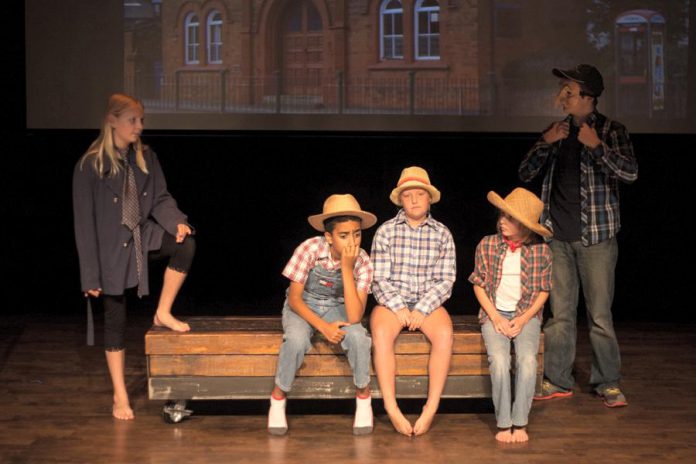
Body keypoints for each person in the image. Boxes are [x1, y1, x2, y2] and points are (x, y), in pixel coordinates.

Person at [519, 64, 638, 408]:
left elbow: (630, 173)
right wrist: (545, 142)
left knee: (600, 316)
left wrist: (597, 146)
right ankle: (557, 379)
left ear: (588, 96)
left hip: (597, 238)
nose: (562, 97)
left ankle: (608, 382)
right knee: (560, 315)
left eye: (569, 91)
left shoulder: (611, 130)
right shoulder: (556, 131)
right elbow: (525, 171)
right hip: (556, 236)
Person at [73, 93, 195, 420]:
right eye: (133, 120)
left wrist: (177, 223)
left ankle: (163, 312)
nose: (140, 127)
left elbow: (160, 199)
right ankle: (120, 394)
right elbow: (84, 225)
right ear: (112, 120)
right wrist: (91, 276)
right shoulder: (90, 165)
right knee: (116, 321)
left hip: (141, 239)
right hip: (109, 250)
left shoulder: (145, 157)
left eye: (141, 120)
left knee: (185, 244)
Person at [268, 194, 377, 436]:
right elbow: (295, 299)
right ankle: (278, 397)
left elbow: (355, 314)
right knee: (296, 341)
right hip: (304, 305)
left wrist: (347, 268)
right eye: (344, 235)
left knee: (358, 337)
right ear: (328, 236)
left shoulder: (363, 262)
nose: (352, 241)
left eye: (357, 234)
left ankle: (363, 397)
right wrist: (323, 327)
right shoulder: (309, 249)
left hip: (339, 305)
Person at [370, 166, 456, 436]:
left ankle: (430, 407)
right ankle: (392, 407)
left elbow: (446, 280)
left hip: (426, 301)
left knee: (444, 333)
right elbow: (379, 279)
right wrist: (399, 308)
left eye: (420, 194)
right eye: (409, 195)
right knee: (382, 333)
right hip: (392, 301)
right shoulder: (386, 231)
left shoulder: (442, 233)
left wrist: (421, 309)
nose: (415, 200)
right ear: (401, 200)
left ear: (429, 198)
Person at [469, 188, 552, 443]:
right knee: (500, 360)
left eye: (510, 218)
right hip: (496, 313)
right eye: (502, 216)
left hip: (525, 315)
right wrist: (495, 317)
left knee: (527, 360)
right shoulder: (488, 244)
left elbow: (543, 290)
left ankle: (520, 421)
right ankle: (504, 423)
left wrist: (525, 318)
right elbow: (478, 284)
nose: (502, 221)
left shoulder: (541, 251)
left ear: (525, 225)